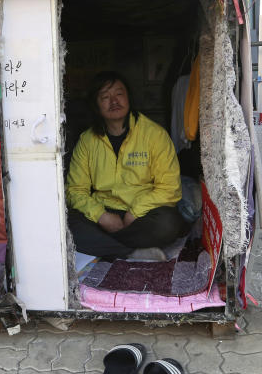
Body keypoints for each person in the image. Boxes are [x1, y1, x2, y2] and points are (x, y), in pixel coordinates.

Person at [66, 72, 187, 261]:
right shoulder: (87, 141)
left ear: (129, 97)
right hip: (104, 212)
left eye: (119, 94)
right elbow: (75, 190)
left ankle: (105, 246)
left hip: (143, 215)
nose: (114, 101)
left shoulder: (154, 134)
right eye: (105, 97)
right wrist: (101, 216)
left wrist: (135, 211)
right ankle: (131, 252)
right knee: (66, 223)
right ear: (96, 105)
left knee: (169, 224)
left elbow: (170, 188)